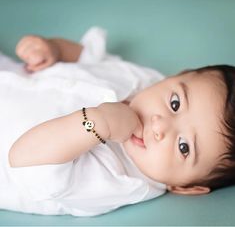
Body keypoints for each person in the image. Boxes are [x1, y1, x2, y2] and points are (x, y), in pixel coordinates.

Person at [1, 27, 235, 216]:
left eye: (183, 147)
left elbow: (24, 160)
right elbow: (91, 59)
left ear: (186, 187)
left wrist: (95, 123)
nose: (160, 125)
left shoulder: (119, 181)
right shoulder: (148, 81)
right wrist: (55, 50)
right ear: (178, 76)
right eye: (175, 103)